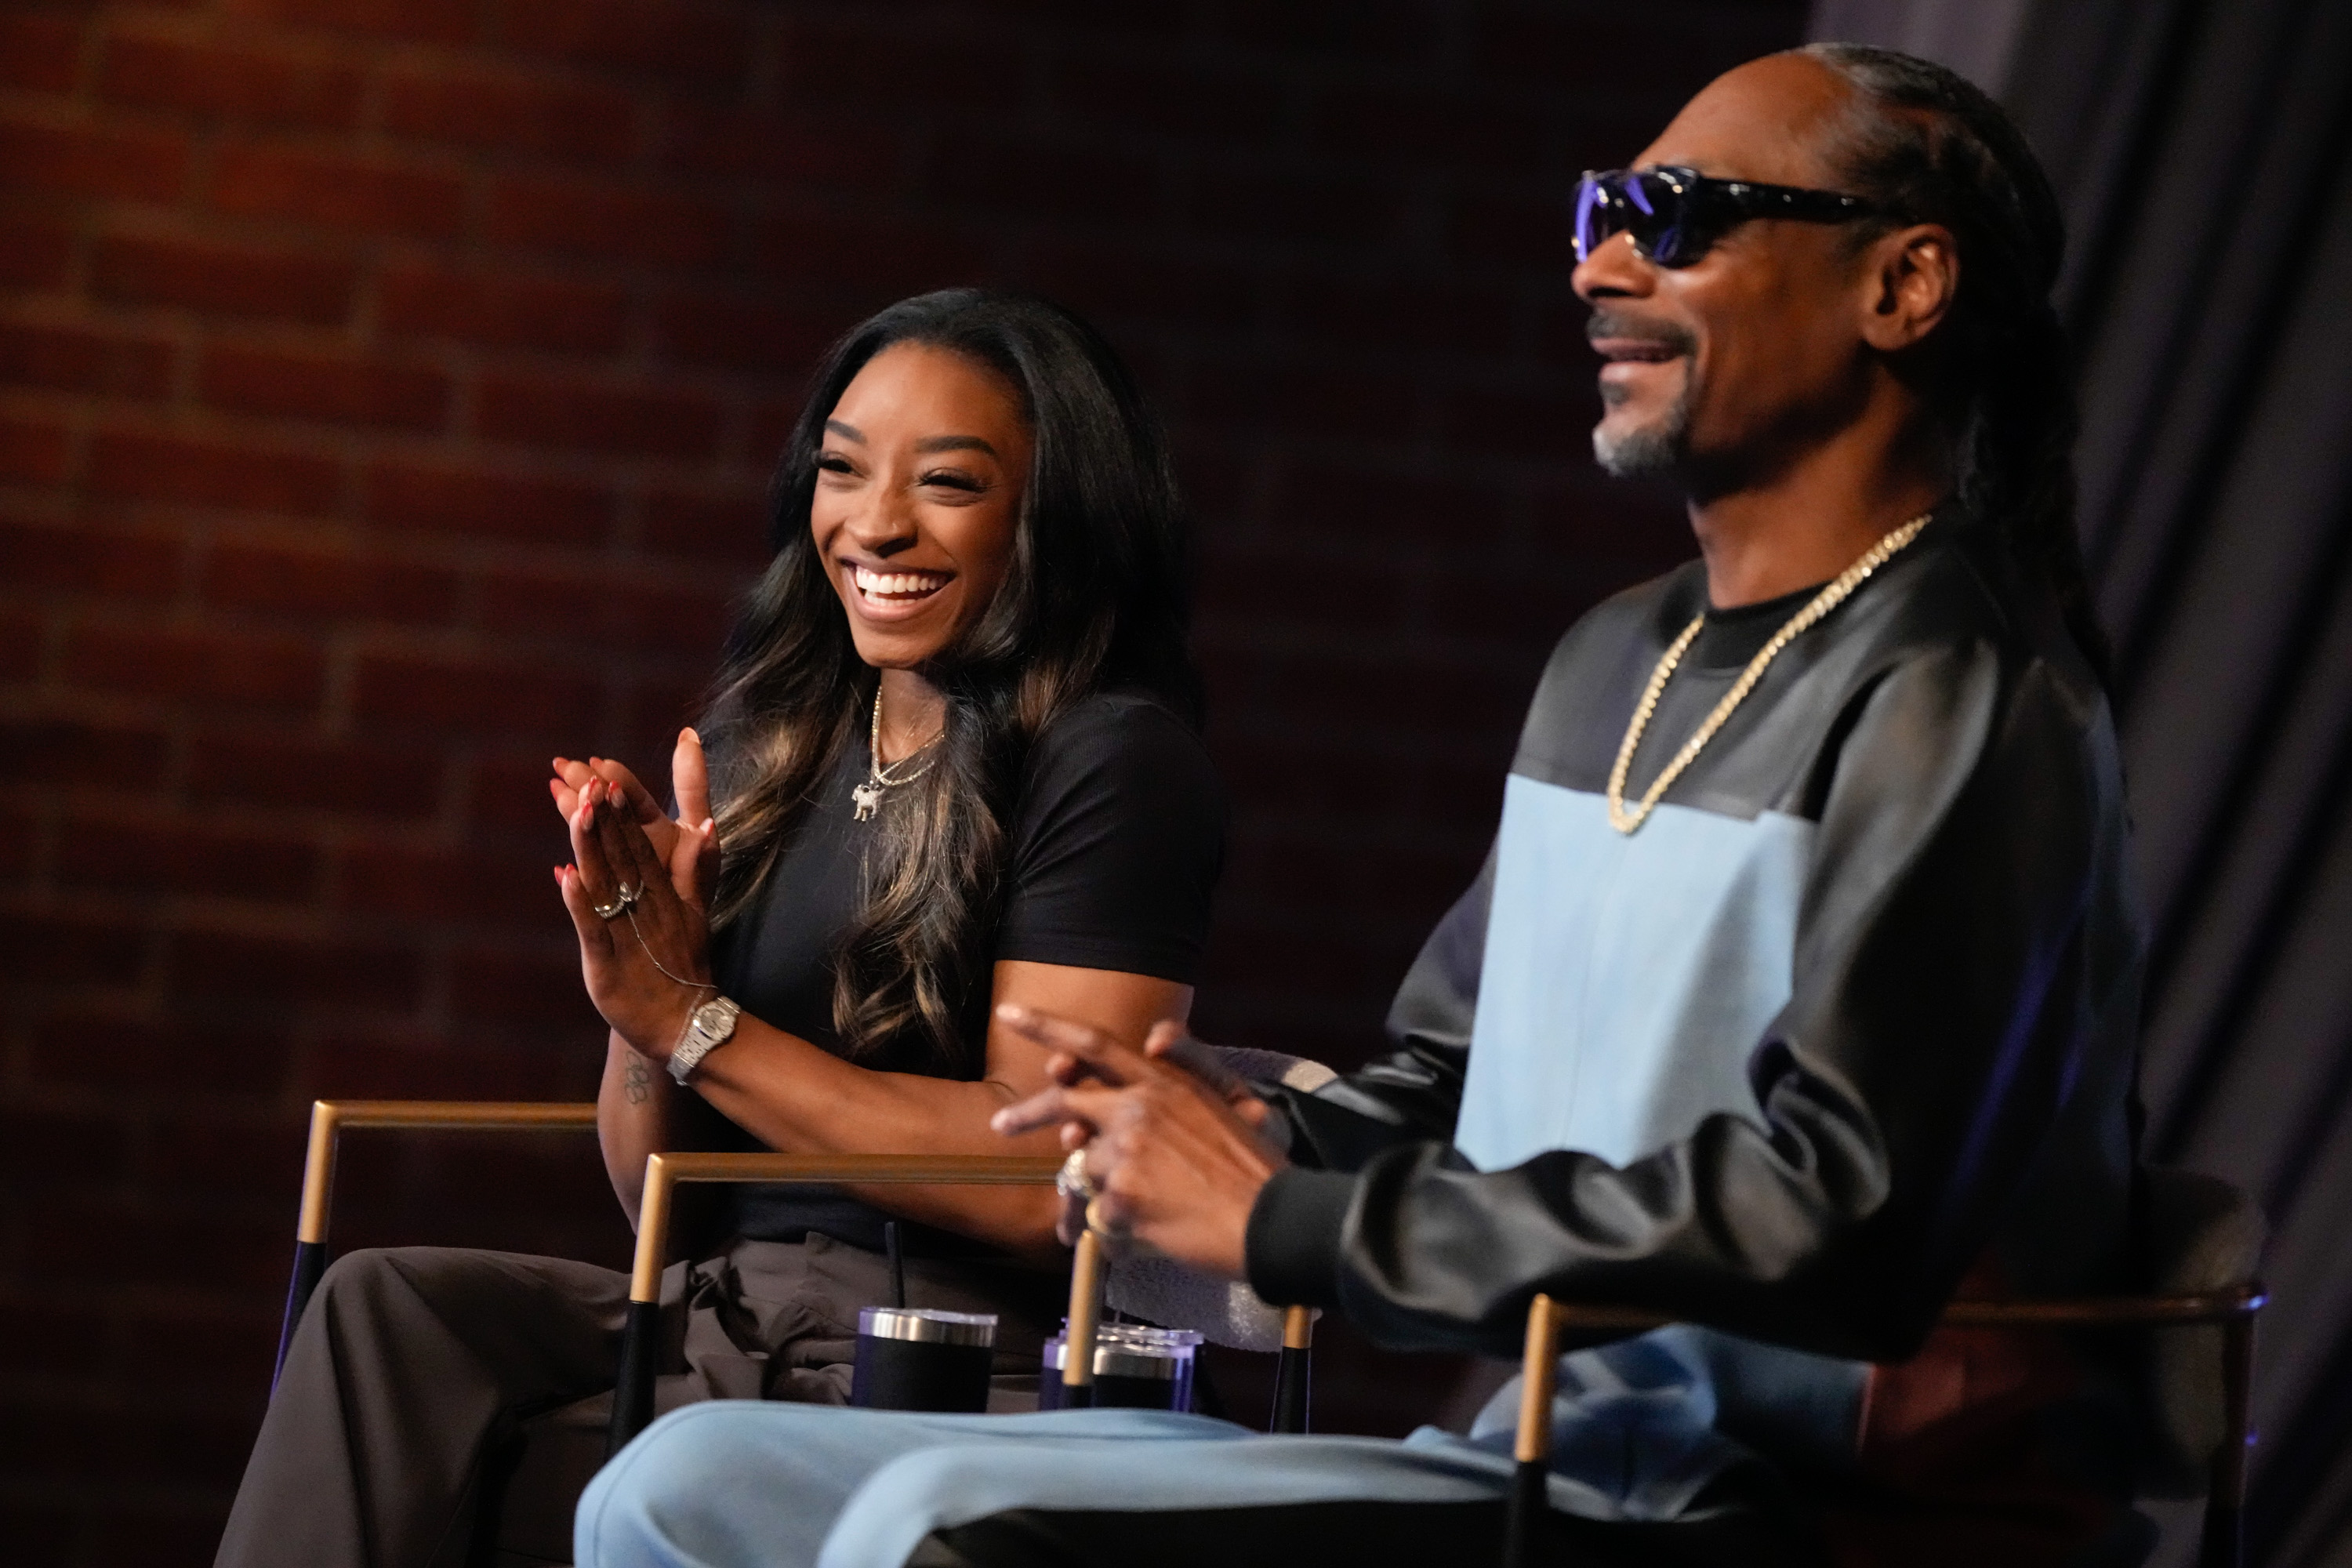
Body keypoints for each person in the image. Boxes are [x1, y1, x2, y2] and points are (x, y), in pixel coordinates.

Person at [575, 43, 2150, 1568]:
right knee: (688, 1484)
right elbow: (1456, 1081)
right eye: (1598, 218)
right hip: (1533, 1452)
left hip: (1772, 1509)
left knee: (926, 1533)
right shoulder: (1617, 658)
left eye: (1669, 222)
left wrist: (1289, 1224)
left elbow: (1843, 1213)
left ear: (1905, 286)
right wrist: (1196, 1132)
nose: (1600, 271)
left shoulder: (1973, 694)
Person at [214, 289, 1227, 1568]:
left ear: (1054, 515)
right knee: (384, 1309)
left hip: (946, 1344)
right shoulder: (777, 742)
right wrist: (645, 1002)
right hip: (723, 1302)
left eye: (950, 484)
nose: (875, 525)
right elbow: (657, 1200)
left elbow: (1044, 1179)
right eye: (842, 471)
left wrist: (699, 1024)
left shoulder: (1109, 761)